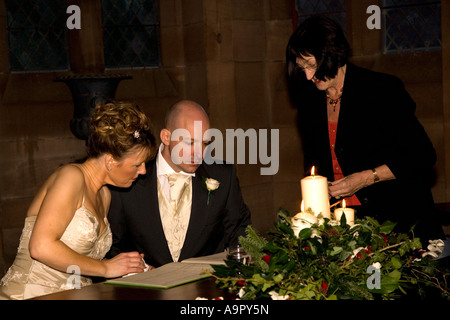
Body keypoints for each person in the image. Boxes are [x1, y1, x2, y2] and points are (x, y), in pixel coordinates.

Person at [286, 15, 444, 241]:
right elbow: (315, 167)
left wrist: (366, 178)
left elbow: (422, 156)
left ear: (333, 54)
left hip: (400, 221)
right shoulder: (309, 102)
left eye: (312, 65)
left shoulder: (381, 89)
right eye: (302, 68)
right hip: (344, 227)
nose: (309, 76)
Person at [0, 101, 157, 300]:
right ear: (110, 161)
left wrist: (130, 268)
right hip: (33, 293)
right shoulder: (71, 176)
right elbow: (40, 247)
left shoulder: (104, 195)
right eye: (137, 164)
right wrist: (106, 268)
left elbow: (82, 259)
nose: (143, 171)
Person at [107, 100, 252, 268]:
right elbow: (113, 246)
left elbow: (241, 236)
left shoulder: (224, 176)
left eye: (205, 143)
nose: (199, 153)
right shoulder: (128, 179)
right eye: (190, 142)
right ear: (166, 137)